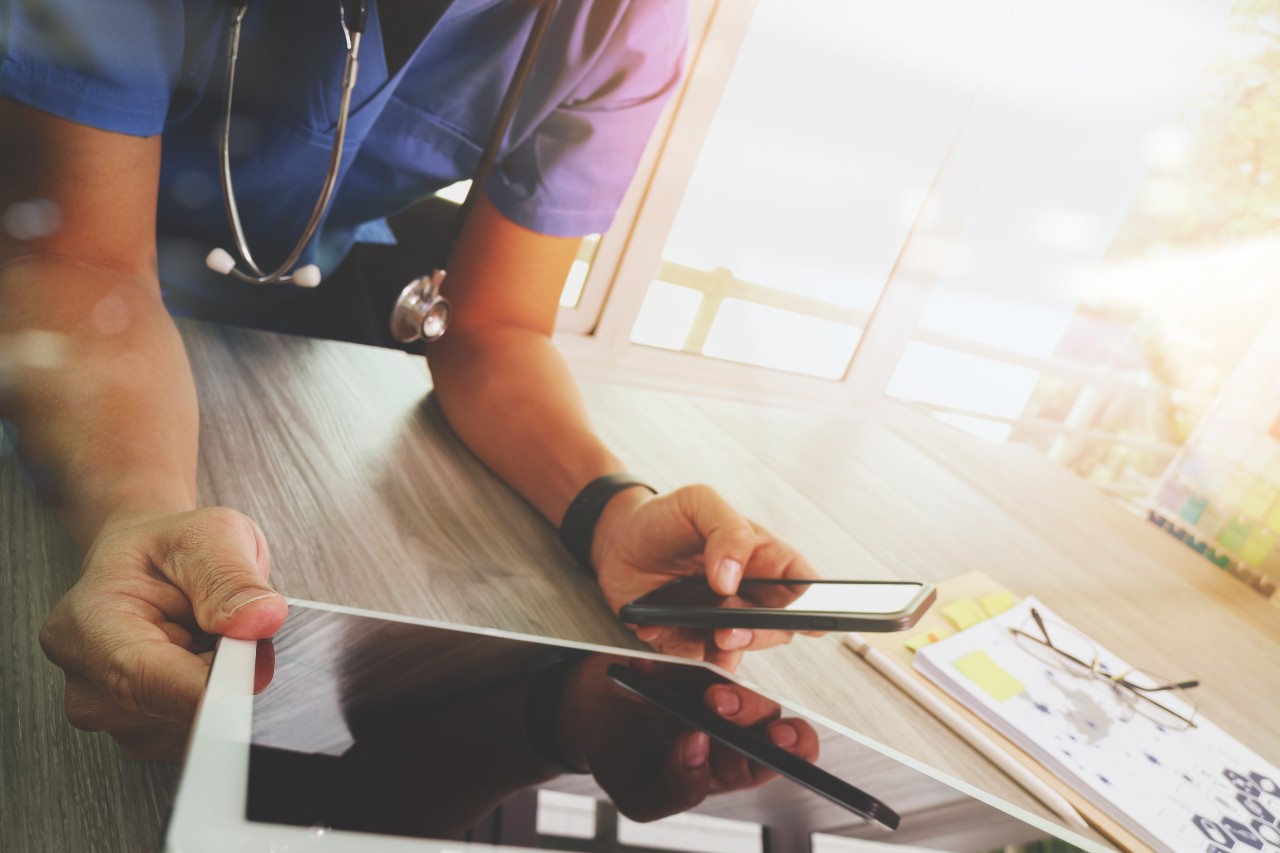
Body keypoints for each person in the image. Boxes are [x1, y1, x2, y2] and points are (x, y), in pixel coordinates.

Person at [0, 0, 820, 764]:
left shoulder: (624, 23)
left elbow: (494, 327)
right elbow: (78, 260)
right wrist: (143, 519)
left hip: (273, 332)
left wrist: (609, 512)